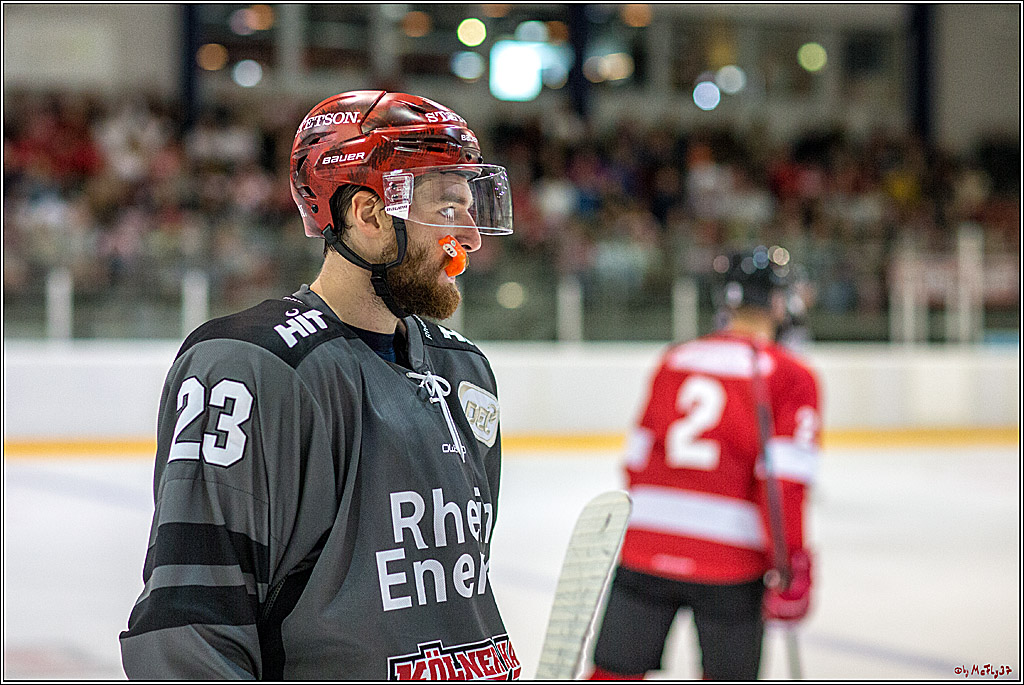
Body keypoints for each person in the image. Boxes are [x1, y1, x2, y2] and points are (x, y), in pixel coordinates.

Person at [119, 90, 521, 679]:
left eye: (469, 208)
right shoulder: (251, 364)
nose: (471, 238)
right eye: (446, 210)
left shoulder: (464, 371)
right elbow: (190, 633)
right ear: (369, 215)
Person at [588, 246, 822, 680]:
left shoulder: (675, 359)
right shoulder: (790, 374)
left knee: (613, 673)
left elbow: (637, 460)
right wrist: (790, 561)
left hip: (646, 547)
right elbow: (782, 485)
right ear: (778, 302)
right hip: (730, 561)